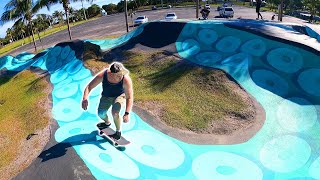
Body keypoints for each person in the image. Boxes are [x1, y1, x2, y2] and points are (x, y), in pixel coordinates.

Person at [81, 62, 133, 141]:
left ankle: (118, 131)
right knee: (101, 114)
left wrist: (127, 113)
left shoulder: (125, 79)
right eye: (119, 75)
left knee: (115, 112)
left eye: (122, 74)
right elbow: (89, 86)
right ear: (111, 74)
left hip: (119, 96)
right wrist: (85, 98)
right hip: (106, 96)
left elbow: (129, 97)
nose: (121, 76)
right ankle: (107, 122)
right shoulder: (103, 75)